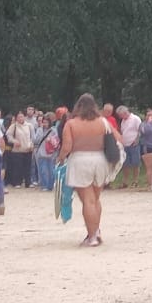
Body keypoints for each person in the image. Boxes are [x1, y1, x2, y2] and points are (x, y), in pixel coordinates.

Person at [58, 93, 118, 246]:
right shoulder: (103, 122)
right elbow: (116, 139)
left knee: (87, 201)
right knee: (95, 199)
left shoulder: (71, 124)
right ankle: (95, 232)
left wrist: (61, 158)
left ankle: (92, 236)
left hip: (80, 160)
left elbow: (67, 147)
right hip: (100, 160)